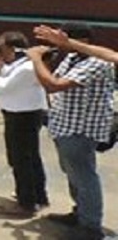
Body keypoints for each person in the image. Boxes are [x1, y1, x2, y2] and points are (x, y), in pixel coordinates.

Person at [27, 23, 113, 240]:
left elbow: (54, 85)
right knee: (73, 175)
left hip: (80, 130)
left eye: (61, 38)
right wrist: (45, 61)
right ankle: (80, 213)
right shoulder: (72, 58)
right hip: (63, 125)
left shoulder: (97, 63)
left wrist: (36, 59)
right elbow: (50, 82)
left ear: (81, 40)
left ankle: (90, 228)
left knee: (85, 178)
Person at [0, 32, 49, 218]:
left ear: (12, 48)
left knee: (21, 160)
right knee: (31, 157)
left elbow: (2, 87)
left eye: (1, 48)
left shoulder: (26, 68)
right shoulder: (24, 64)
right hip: (24, 113)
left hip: (22, 116)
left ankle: (26, 203)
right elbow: (9, 74)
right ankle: (38, 196)